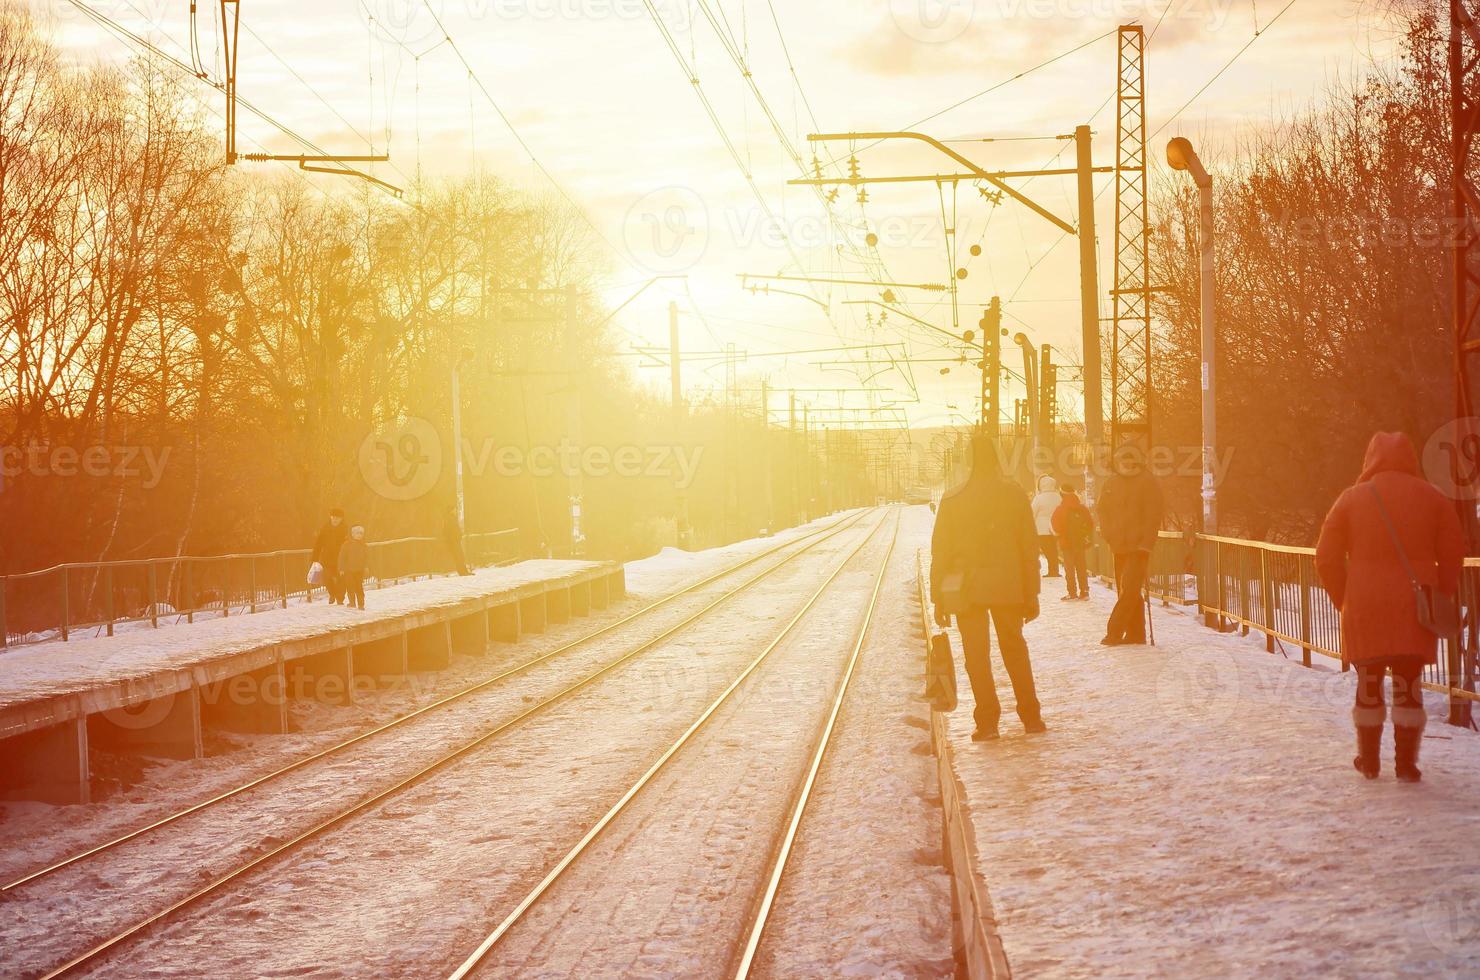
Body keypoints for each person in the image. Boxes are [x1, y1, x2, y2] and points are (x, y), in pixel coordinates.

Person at [1315, 432, 1463, 783]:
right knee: (1409, 683)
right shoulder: (1433, 498)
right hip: (1415, 606)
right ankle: (1406, 764)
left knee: (1369, 682)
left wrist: (1344, 598)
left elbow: (1326, 557)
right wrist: (1439, 593)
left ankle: (1368, 761)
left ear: (1370, 459)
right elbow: (1453, 553)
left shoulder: (1351, 499)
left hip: (1365, 606)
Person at [930, 434, 1046, 740]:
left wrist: (937, 599)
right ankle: (1031, 717)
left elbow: (940, 551)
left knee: (976, 656)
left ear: (968, 460)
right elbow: (1028, 547)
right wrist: (1031, 592)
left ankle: (987, 722)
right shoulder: (1014, 494)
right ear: (996, 459)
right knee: (1015, 650)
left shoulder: (953, 499)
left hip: (967, 590)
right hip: (1008, 586)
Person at [1096, 448, 1164, 645]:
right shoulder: (1111, 483)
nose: (1126, 464)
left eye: (1130, 461)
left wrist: (1147, 543)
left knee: (1129, 590)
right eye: (1123, 461)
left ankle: (1114, 632)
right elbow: (1102, 510)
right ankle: (1136, 634)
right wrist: (1108, 534)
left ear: (1137, 462)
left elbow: (1154, 514)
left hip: (1139, 546)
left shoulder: (1147, 481)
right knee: (1127, 590)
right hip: (1118, 545)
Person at [1052, 483, 1095, 601]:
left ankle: (1072, 593)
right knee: (1081, 567)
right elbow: (1090, 523)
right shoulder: (1082, 508)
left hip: (1066, 543)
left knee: (1069, 568)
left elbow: (1056, 526)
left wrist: (1060, 535)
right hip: (1080, 542)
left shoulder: (1060, 509)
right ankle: (1085, 592)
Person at [311, 507, 349, 604]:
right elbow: (318, 543)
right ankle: (333, 594)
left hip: (341, 559)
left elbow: (350, 544)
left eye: (338, 518)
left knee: (342, 579)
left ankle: (340, 598)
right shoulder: (325, 528)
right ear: (330, 517)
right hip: (327, 558)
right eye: (334, 517)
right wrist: (315, 558)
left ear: (341, 519)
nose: (335, 519)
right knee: (326, 578)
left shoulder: (345, 529)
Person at [1031, 475, 1063, 577]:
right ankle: (1054, 570)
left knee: (1047, 551)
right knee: (1053, 550)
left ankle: (1052, 571)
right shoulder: (1058, 497)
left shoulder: (1039, 498)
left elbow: (1032, 513)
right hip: (1055, 528)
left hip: (1041, 529)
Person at [338, 525, 369, 610]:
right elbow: (342, 557)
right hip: (348, 570)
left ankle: (361, 604)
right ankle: (352, 602)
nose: (359, 535)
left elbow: (366, 557)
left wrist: (366, 566)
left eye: (361, 533)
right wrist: (341, 569)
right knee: (350, 587)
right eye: (357, 533)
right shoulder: (347, 544)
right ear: (353, 534)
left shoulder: (364, 545)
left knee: (359, 587)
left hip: (359, 570)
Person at [443, 504, 473, 577]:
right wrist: (455, 537)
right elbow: (449, 530)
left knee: (460, 556)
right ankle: (462, 572)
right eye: (454, 509)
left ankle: (464, 571)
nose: (456, 510)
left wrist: (459, 534)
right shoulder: (448, 518)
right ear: (451, 510)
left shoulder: (451, 518)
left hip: (456, 540)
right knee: (458, 557)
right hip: (453, 541)